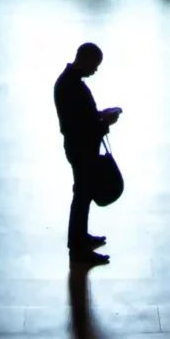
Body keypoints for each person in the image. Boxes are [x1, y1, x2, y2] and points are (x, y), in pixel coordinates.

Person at [54, 43, 120, 266]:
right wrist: (104, 123)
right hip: (81, 149)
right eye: (95, 65)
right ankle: (79, 248)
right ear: (85, 60)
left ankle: (80, 239)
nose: (95, 70)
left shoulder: (67, 83)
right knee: (82, 198)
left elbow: (82, 118)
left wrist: (100, 115)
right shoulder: (73, 88)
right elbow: (81, 127)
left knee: (82, 196)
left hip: (78, 148)